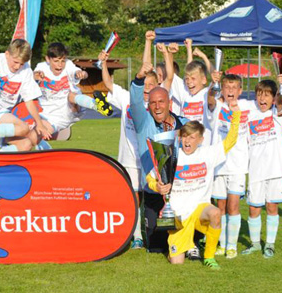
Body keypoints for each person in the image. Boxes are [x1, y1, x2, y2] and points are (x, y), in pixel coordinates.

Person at [100, 31, 174, 249]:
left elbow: (167, 78)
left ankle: (154, 230)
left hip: (149, 158)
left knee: (153, 194)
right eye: (146, 85)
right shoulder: (127, 98)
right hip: (129, 157)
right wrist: (103, 64)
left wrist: (150, 43)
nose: (148, 89)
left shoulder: (156, 102)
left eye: (152, 85)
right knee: (134, 196)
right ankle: (136, 236)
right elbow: (108, 84)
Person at [146, 101, 241, 270]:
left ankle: (209, 257)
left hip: (199, 210)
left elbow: (230, 141)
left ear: (200, 139)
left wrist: (236, 116)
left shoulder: (208, 153)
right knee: (177, 262)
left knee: (215, 213)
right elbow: (150, 177)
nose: (187, 141)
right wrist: (157, 187)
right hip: (178, 216)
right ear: (180, 138)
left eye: (192, 137)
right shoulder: (171, 156)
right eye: (184, 137)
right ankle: (180, 248)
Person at [130, 62, 188, 254]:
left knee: (185, 242)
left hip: (181, 193)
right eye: (153, 103)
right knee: (156, 247)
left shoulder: (184, 124)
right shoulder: (143, 123)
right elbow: (136, 102)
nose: (157, 107)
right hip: (154, 194)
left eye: (161, 102)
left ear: (169, 103)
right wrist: (139, 79)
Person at [32, 42, 113, 150]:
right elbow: (34, 75)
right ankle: (47, 157)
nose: (60, 64)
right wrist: (35, 76)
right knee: (35, 136)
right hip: (49, 115)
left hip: (69, 110)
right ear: (48, 59)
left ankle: (96, 105)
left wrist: (81, 74)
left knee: (70, 95)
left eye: (62, 61)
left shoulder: (69, 65)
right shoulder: (41, 67)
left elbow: (77, 72)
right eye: (56, 61)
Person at [207, 73, 253, 258]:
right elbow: (210, 99)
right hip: (219, 165)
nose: (231, 91)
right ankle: (221, 244)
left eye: (234, 88)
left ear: (240, 90)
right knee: (221, 207)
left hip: (238, 166)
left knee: (234, 206)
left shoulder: (248, 107)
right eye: (227, 87)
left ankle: (232, 245)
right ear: (223, 90)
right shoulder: (217, 106)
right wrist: (214, 82)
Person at [241, 79, 282, 258]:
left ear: (274, 98)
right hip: (256, 171)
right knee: (253, 209)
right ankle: (256, 243)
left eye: (266, 95)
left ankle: (270, 245)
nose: (262, 98)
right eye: (259, 94)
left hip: (275, 171)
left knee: (272, 207)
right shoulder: (251, 112)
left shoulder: (277, 114)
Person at [170, 44, 213, 144]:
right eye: (187, 79)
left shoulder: (207, 93)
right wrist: (168, 54)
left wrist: (204, 57)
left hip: (203, 147)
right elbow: (170, 74)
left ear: (203, 80)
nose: (189, 82)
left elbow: (215, 77)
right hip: (185, 146)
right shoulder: (185, 93)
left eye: (193, 79)